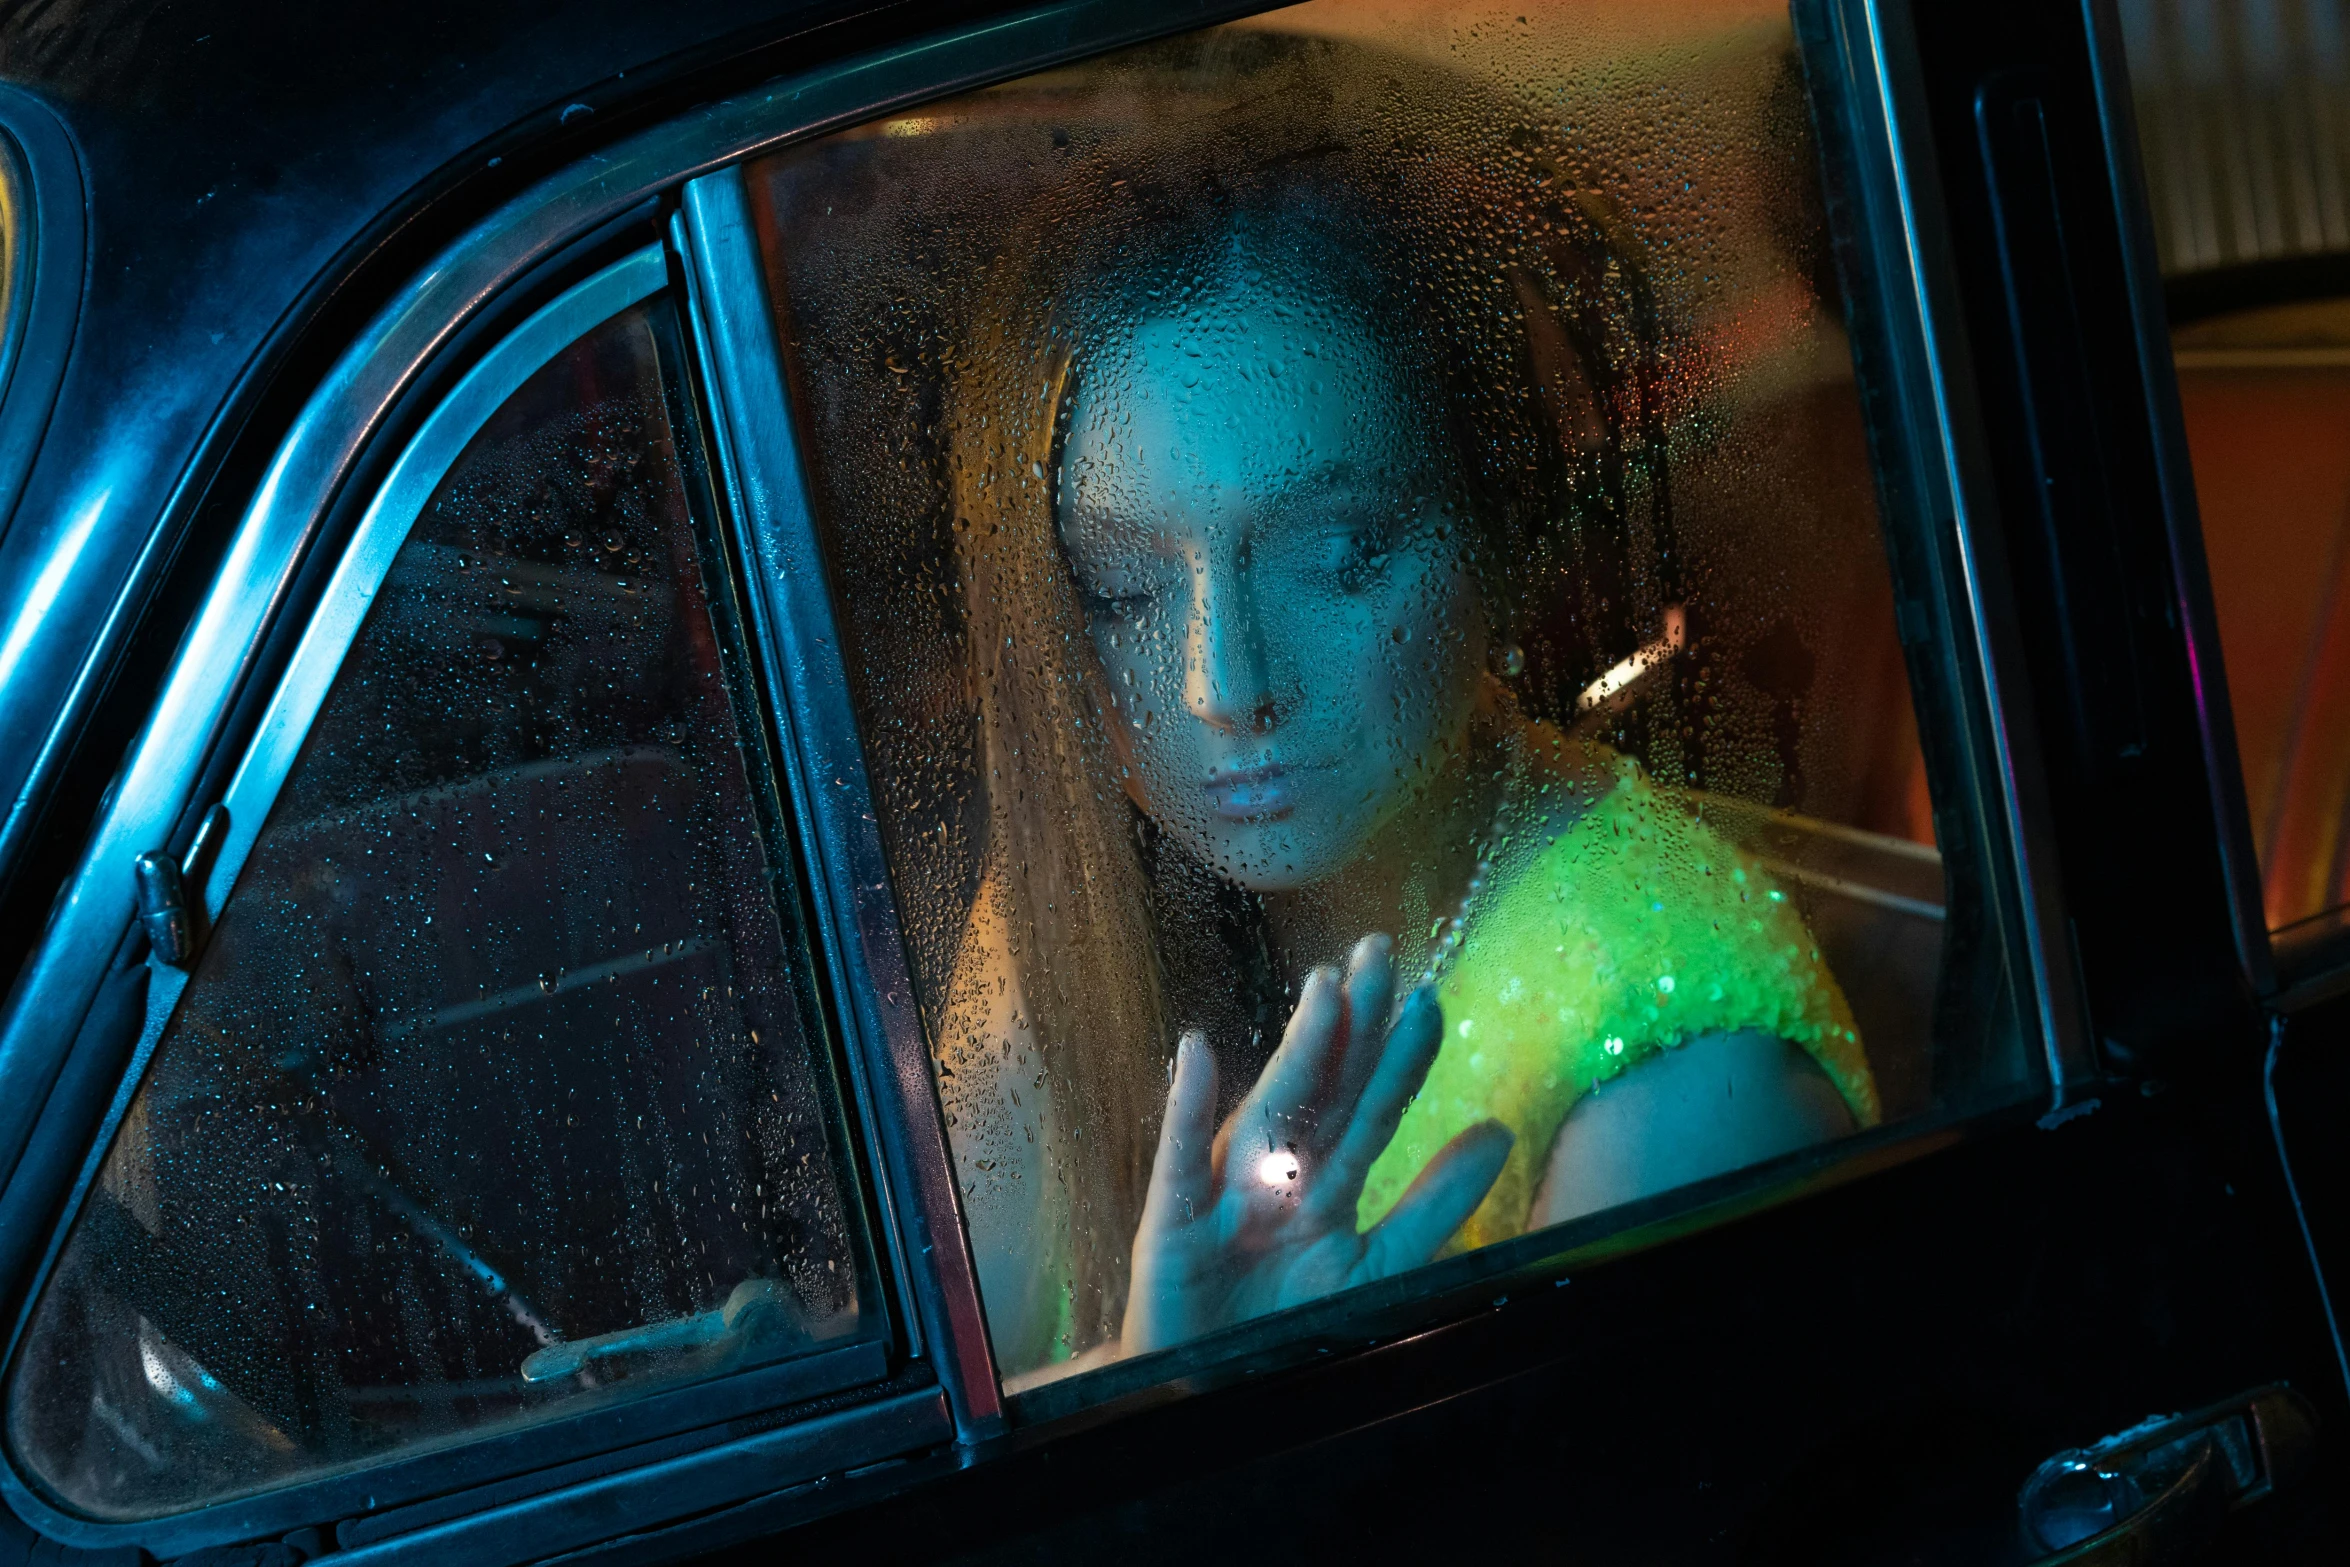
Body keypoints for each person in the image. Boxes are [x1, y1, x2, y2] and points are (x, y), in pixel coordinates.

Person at [851, 32, 1881, 1384]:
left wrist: (1193, 1411)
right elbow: (944, 1419)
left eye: (1340, 560)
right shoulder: (1089, 888)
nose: (1225, 686)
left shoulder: (1678, 1097)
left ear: (1494, 544)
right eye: (1115, 594)